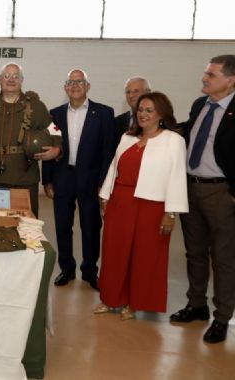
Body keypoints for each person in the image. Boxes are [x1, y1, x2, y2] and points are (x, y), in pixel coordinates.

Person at [96, 91, 188, 321]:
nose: (143, 115)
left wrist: (171, 213)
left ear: (161, 114)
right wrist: (105, 195)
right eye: (140, 110)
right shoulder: (127, 137)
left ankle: (136, 303)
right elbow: (113, 169)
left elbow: (177, 177)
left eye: (149, 110)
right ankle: (111, 299)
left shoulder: (173, 140)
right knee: (114, 252)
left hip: (152, 206)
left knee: (145, 256)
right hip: (121, 203)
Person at [170, 54, 235, 344]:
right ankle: (197, 305)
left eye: (211, 74)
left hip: (221, 193)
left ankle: (222, 317)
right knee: (194, 252)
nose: (204, 78)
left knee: (224, 258)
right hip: (190, 188)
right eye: (205, 73)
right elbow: (189, 131)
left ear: (231, 80)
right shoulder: (200, 105)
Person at [42, 69, 115, 289]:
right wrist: (47, 180)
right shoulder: (54, 114)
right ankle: (67, 269)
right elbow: (49, 148)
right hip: (63, 177)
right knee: (63, 226)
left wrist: (104, 182)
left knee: (91, 226)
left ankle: (90, 270)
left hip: (91, 180)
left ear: (88, 86)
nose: (75, 86)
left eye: (80, 82)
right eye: (70, 82)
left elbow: (108, 151)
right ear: (65, 87)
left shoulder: (103, 113)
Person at [0, 62, 62, 217]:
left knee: (26, 223)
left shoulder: (35, 105)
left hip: (25, 176)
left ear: (22, 80)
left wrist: (56, 149)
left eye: (16, 76)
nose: (11, 79)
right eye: (7, 76)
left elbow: (54, 130)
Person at [115, 76, 151, 148]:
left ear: (148, 93)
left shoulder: (156, 119)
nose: (131, 95)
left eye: (136, 91)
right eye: (128, 92)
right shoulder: (116, 122)